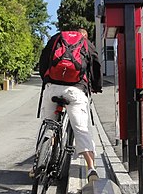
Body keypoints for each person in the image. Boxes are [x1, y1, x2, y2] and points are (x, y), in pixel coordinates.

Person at [35, 26, 102, 183]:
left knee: (48, 124)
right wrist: (96, 86)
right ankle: (91, 167)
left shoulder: (57, 38)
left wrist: (46, 78)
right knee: (82, 128)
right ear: (83, 35)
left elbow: (44, 56)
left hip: (52, 87)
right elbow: (96, 64)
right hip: (76, 90)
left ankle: (39, 160)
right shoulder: (86, 43)